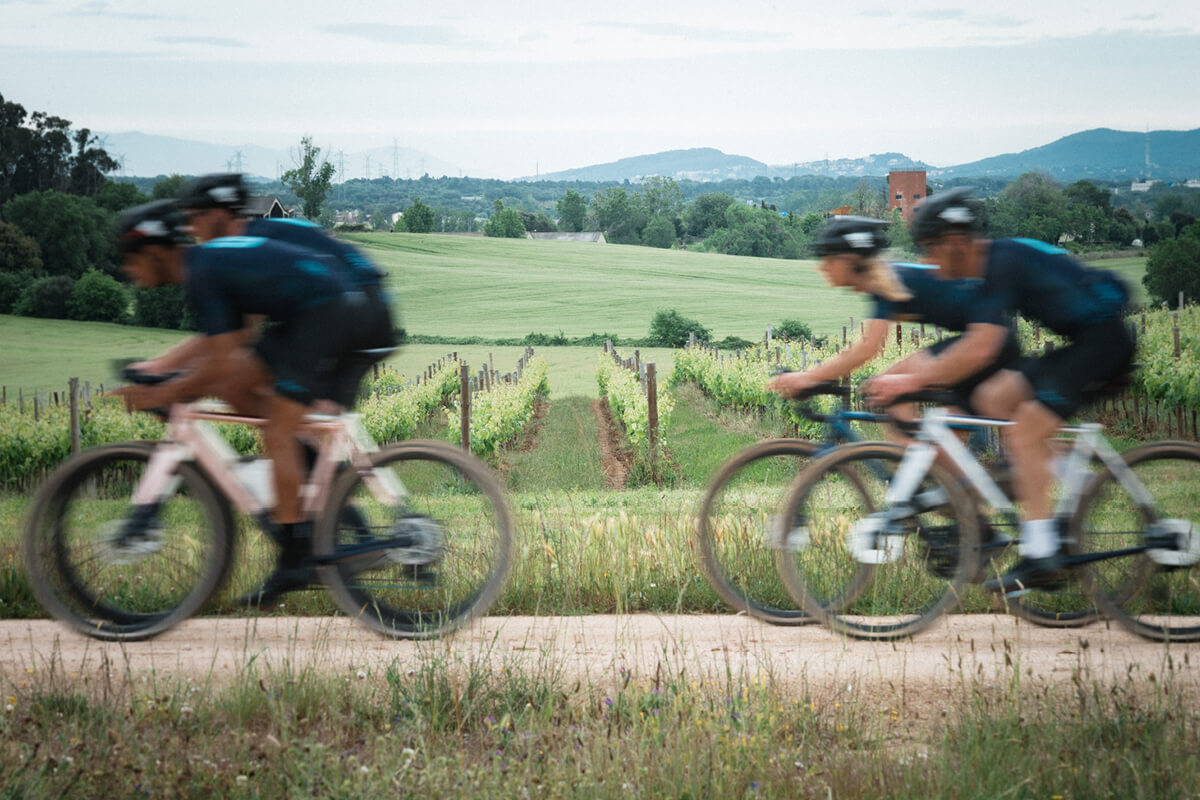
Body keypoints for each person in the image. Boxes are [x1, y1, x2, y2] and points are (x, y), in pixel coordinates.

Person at [114, 200, 386, 605]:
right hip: (315, 311)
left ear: (153, 252)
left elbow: (221, 358)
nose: (127, 272)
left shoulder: (201, 270)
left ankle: (295, 558)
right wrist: (158, 369)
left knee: (276, 426)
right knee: (238, 389)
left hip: (325, 313)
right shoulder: (205, 264)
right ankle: (313, 482)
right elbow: (224, 344)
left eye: (129, 261)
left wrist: (165, 391)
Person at [865, 188, 1134, 592]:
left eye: (930, 249)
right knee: (995, 397)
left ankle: (1041, 554)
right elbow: (981, 343)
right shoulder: (992, 264)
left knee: (1024, 430)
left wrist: (912, 380)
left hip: (1102, 343)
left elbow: (984, 345)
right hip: (1081, 343)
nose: (929, 264)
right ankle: (1063, 472)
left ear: (954, 241)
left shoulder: (1000, 263)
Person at [768, 215, 1019, 419]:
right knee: (940, 428)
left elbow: (866, 349)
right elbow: (863, 347)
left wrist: (808, 376)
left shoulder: (886, 283)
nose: (820, 267)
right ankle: (930, 474)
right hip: (986, 336)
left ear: (847, 261)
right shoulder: (885, 282)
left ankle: (917, 472)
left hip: (988, 339)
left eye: (826, 259)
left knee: (889, 386)